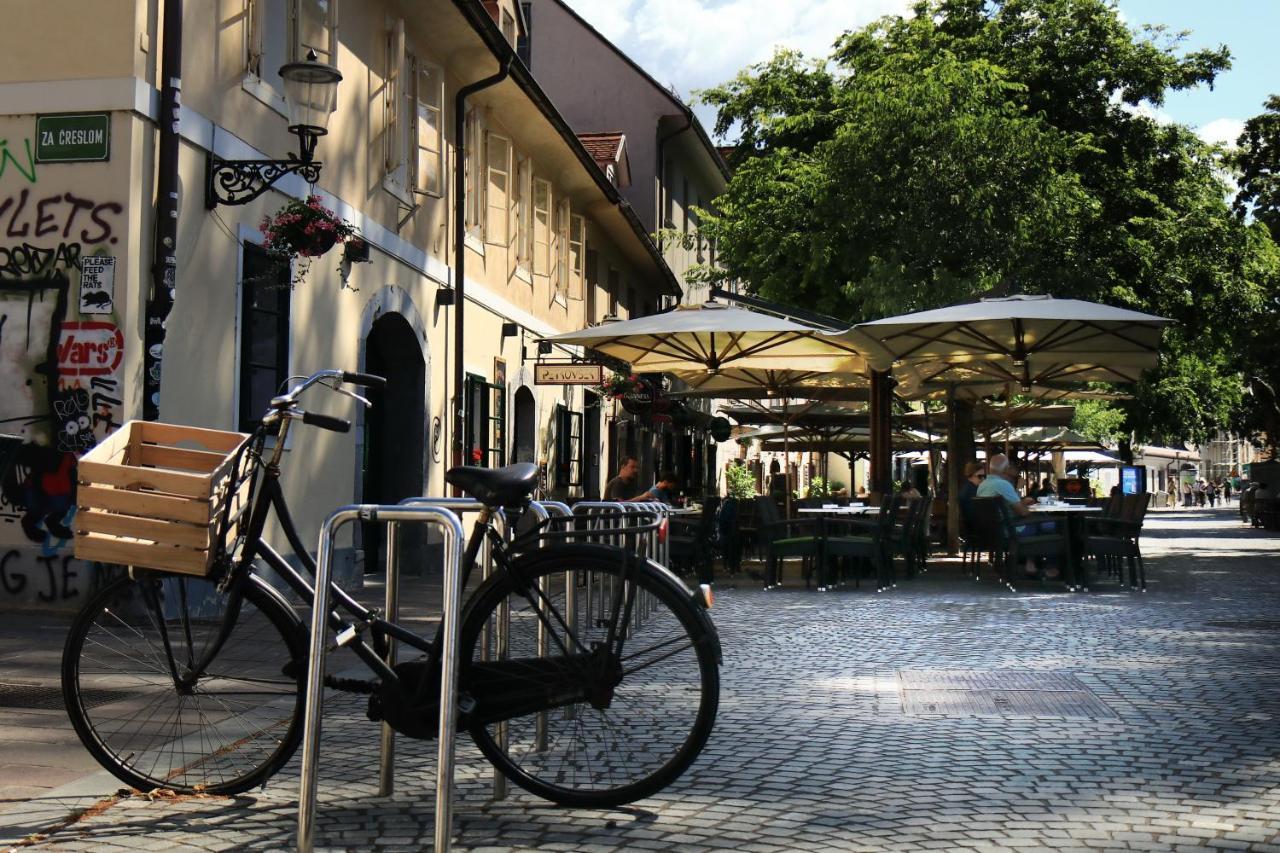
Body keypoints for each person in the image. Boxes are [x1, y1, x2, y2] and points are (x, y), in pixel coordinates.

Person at [977, 454, 1055, 578]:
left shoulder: (983, 485)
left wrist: (1021, 503)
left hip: (994, 530)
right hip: (1011, 530)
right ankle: (1052, 567)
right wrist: (1033, 509)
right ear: (1006, 469)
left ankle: (1031, 564)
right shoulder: (1003, 485)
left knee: (1041, 525)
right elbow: (1023, 512)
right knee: (1050, 526)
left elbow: (1004, 505)